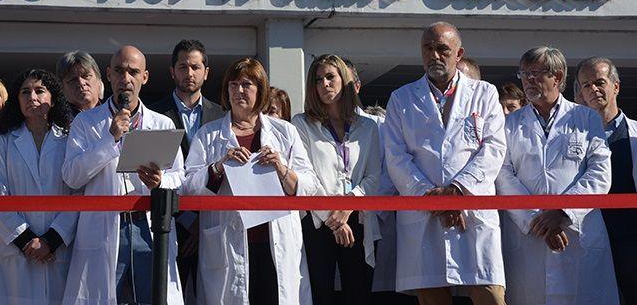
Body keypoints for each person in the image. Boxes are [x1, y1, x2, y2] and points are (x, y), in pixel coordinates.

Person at [382, 22, 507, 305]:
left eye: (442, 49)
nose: (434, 55)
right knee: (432, 295)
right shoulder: (401, 98)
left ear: (458, 54)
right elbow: (396, 156)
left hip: (471, 210)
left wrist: (457, 192)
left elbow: (494, 148)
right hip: (424, 211)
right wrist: (433, 198)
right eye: (428, 48)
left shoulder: (484, 93)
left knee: (489, 294)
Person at [183, 58, 319, 305]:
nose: (238, 91)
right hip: (227, 242)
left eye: (246, 84)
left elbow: (310, 186)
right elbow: (188, 187)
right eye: (233, 85)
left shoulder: (284, 132)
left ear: (261, 89)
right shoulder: (208, 134)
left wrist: (281, 168)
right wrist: (218, 166)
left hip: (275, 241)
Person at [62, 45, 185, 305]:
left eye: (133, 72)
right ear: (108, 74)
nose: (125, 78)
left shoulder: (162, 123)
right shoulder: (86, 122)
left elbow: (179, 177)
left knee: (153, 297)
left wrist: (160, 181)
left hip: (147, 226)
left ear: (145, 77)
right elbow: (71, 176)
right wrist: (109, 139)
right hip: (105, 227)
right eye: (119, 71)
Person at [495, 47, 618, 305]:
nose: (528, 80)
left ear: (558, 76)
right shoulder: (509, 124)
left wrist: (562, 211)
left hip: (576, 232)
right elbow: (503, 175)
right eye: (524, 74)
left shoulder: (586, 118)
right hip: (529, 235)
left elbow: (600, 173)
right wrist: (536, 219)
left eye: (536, 73)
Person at [292, 54, 380, 305]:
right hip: (319, 221)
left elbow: (374, 176)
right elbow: (307, 176)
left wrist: (348, 205)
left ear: (344, 80)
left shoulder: (368, 127)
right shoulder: (302, 124)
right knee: (320, 294)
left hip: (359, 219)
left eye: (330, 77)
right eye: (318, 79)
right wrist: (335, 219)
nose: (324, 84)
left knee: (358, 293)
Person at [0, 69, 78, 305]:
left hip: (58, 251)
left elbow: (78, 195)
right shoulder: (3, 142)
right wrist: (27, 241)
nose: (32, 97)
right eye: (25, 92)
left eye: (40, 91)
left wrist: (51, 241)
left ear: (53, 99)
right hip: (15, 254)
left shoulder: (69, 140)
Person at [149, 39, 224, 300]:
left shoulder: (221, 116)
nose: (189, 73)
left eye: (195, 67)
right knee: (167, 296)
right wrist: (188, 221)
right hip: (167, 223)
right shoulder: (155, 114)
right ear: (172, 71)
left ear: (206, 72)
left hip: (211, 223)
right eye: (183, 67)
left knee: (213, 296)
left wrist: (200, 222)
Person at [576, 56, 636, 303]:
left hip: (630, 240)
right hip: (586, 236)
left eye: (599, 82)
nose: (593, 89)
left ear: (616, 86)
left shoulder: (634, 135)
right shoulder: (572, 134)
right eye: (586, 85)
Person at [56, 51, 104, 117]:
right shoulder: (57, 121)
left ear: (99, 80)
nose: (81, 83)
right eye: (72, 79)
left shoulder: (114, 113)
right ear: (62, 87)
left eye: (86, 76)